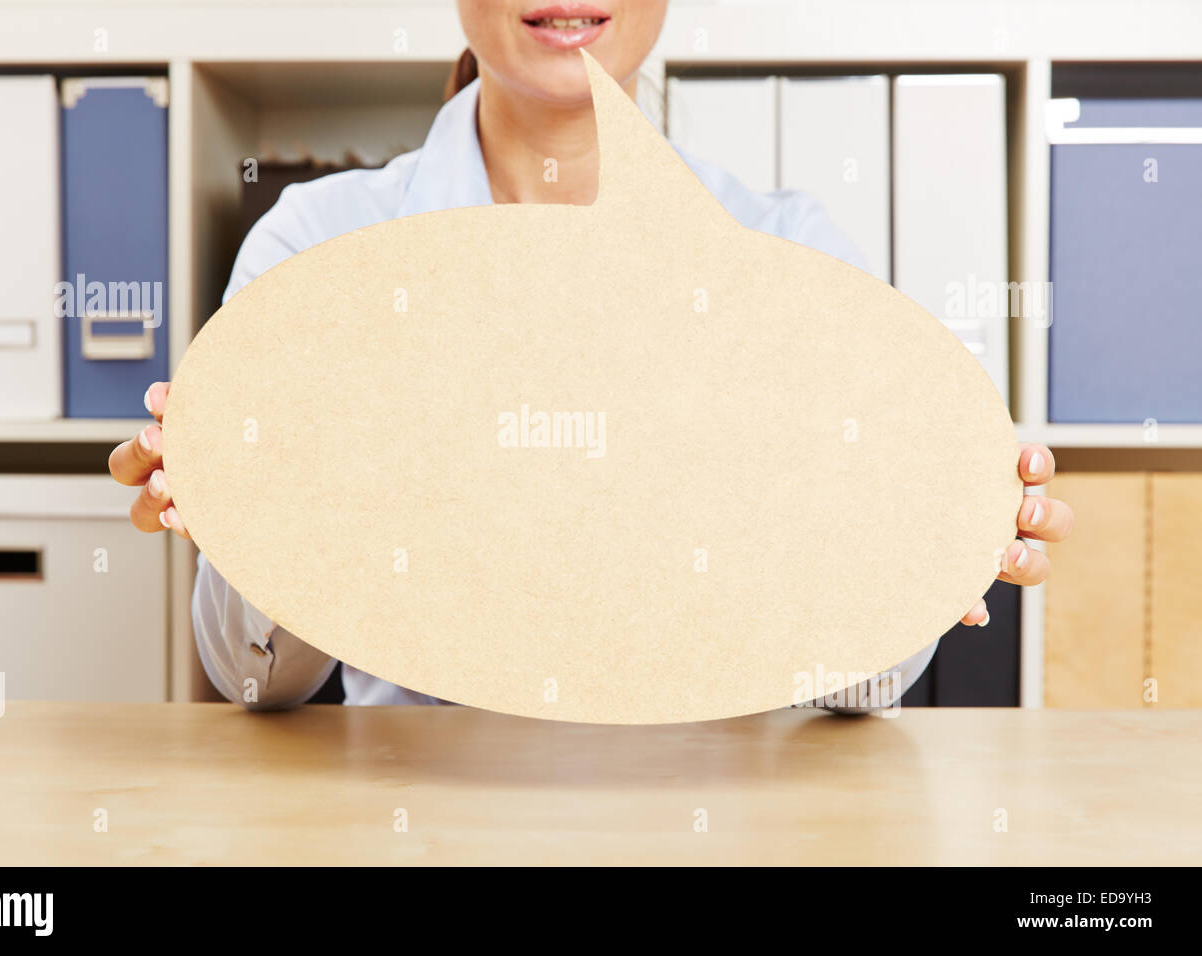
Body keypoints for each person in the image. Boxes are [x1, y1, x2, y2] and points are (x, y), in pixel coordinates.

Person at [107, 0, 1074, 711]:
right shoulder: (317, 249)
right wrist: (268, 503)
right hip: (418, 819)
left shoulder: (794, 255)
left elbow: (862, 695)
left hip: (726, 823)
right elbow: (252, 680)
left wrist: (929, 554)